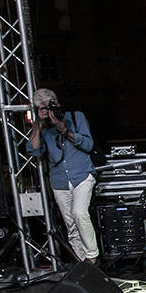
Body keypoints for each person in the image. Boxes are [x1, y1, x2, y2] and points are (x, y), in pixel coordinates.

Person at [26, 88, 100, 264]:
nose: (48, 110)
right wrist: (37, 123)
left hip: (82, 175)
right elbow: (34, 151)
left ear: (57, 102)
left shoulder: (76, 117)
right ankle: (83, 264)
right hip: (59, 181)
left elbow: (88, 145)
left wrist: (65, 130)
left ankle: (92, 256)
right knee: (71, 225)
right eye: (42, 108)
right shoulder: (43, 128)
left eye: (50, 105)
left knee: (79, 212)